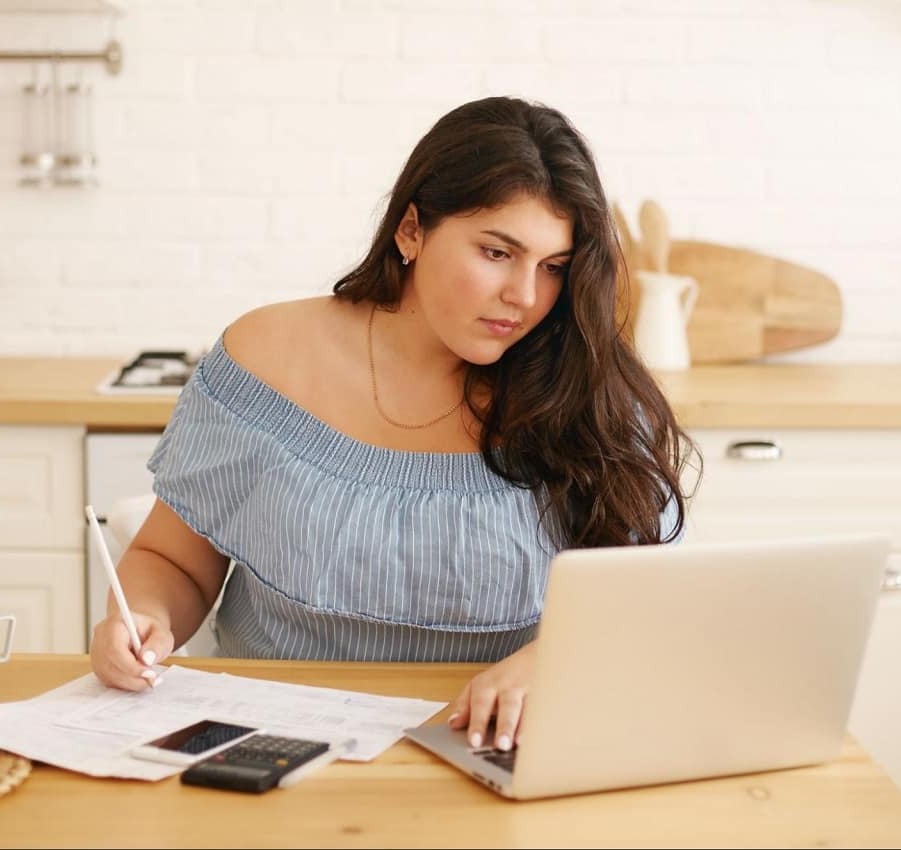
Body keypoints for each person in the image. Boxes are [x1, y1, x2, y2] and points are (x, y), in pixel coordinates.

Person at [90, 95, 695, 755]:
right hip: (269, 740)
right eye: (497, 253)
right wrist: (143, 616)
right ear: (411, 231)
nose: (525, 297)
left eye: (553, 268)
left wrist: (555, 659)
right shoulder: (267, 355)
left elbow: (646, 604)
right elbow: (172, 560)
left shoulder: (588, 389)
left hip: (496, 748)